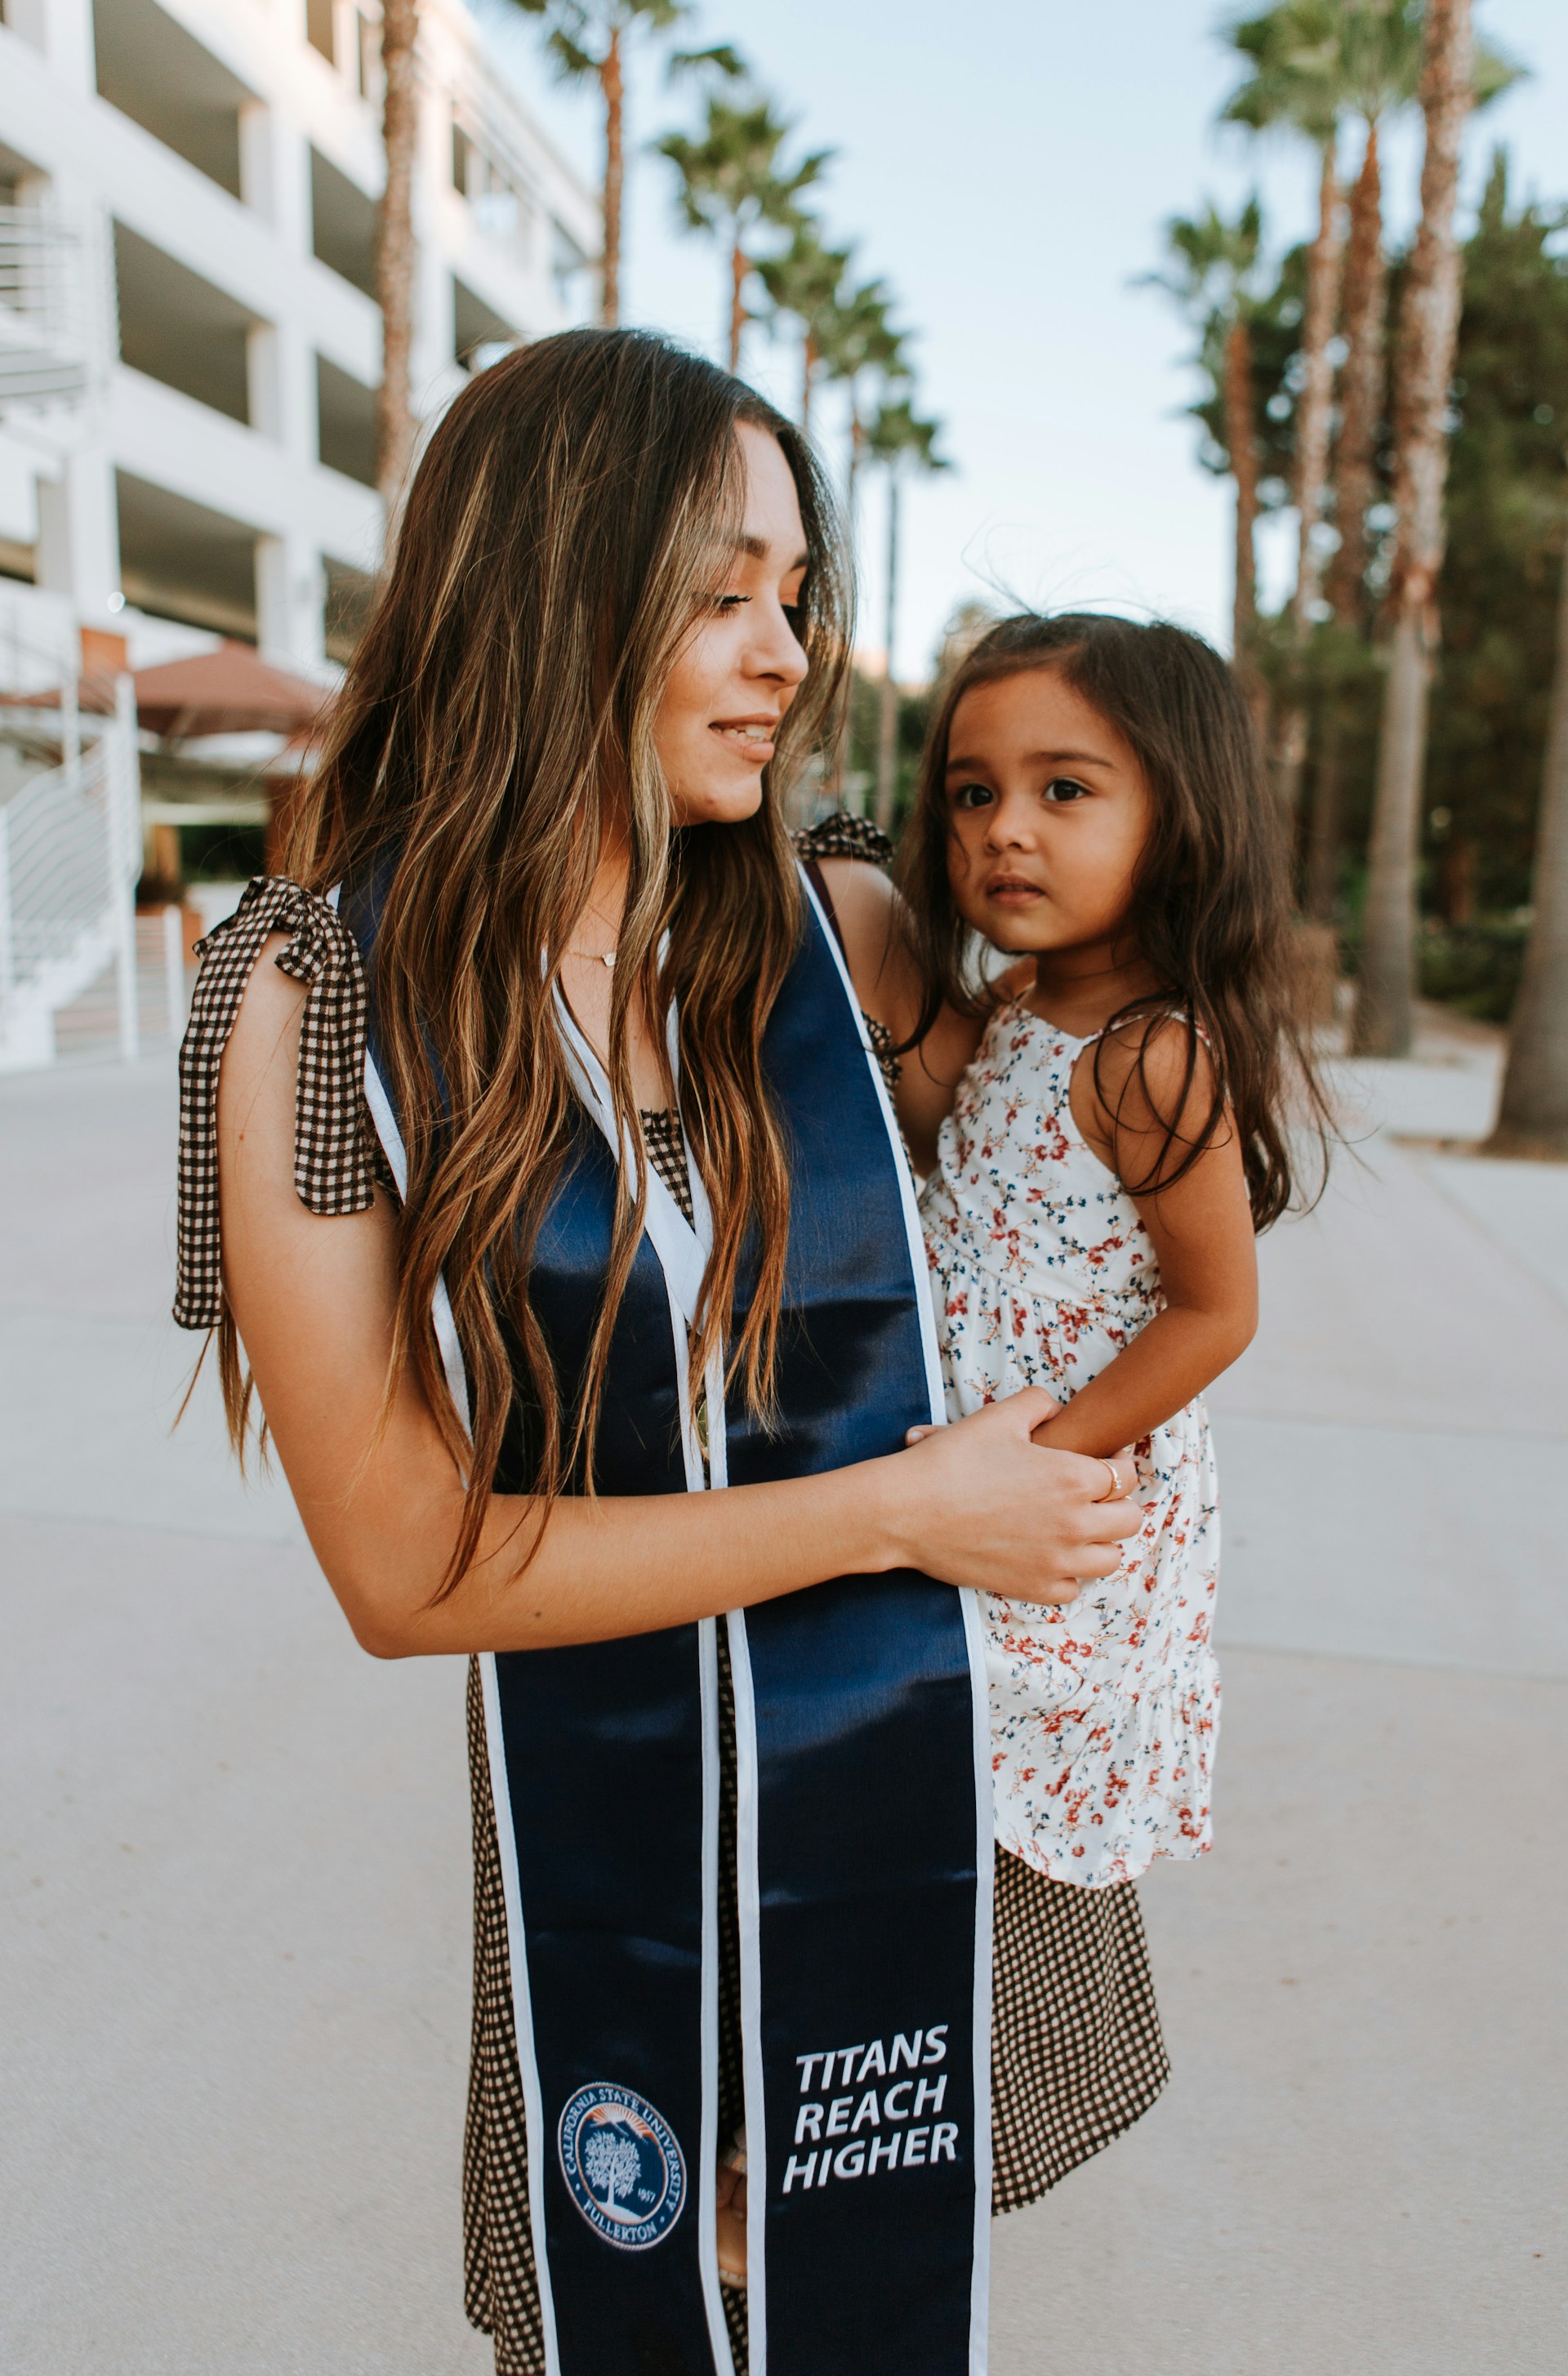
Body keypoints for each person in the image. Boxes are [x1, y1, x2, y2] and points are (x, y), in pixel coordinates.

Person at [172, 337, 1161, 2376]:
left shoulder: (841, 935)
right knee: (654, 2302)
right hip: (612, 1823)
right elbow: (402, 1563)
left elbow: (1098, 1194)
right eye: (721, 591)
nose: (786, 649)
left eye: (797, 596)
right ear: (550, 585)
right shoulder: (312, 995)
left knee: (867, 2295)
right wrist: (906, 1507)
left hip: (906, 1784)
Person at [888, 610, 1330, 1890]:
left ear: (1179, 816)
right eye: (971, 792)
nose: (1000, 829)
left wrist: (1034, 1464)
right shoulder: (1025, 1003)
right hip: (972, 1471)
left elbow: (1214, 1313)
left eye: (1062, 789)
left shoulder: (1151, 1054)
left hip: (1059, 1488)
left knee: (1011, 1811)